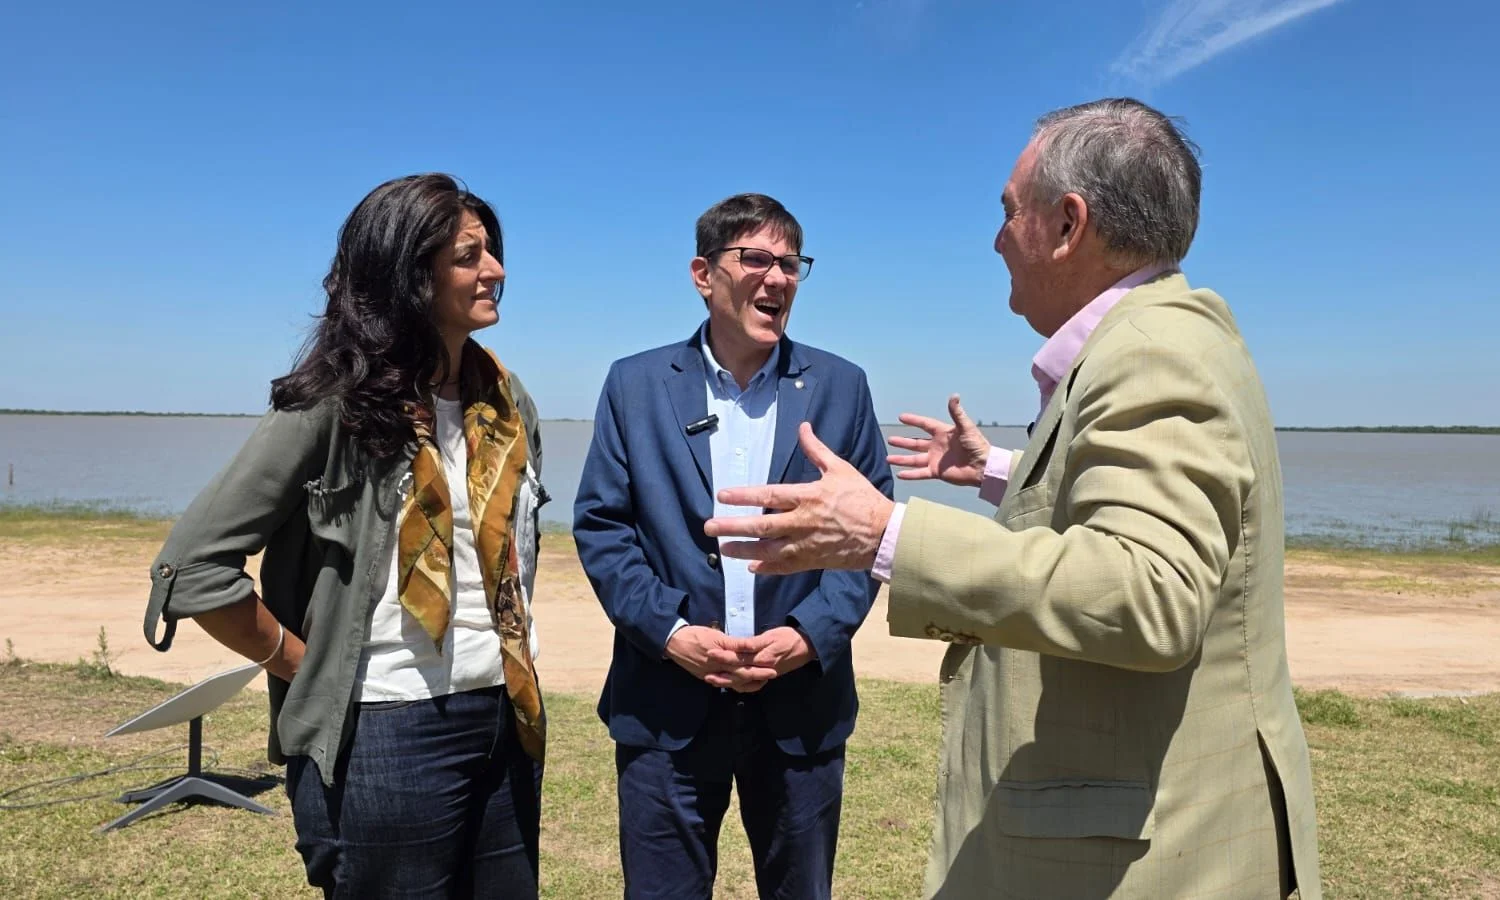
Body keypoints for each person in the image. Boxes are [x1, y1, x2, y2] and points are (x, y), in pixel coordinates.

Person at [703, 99, 1322, 898]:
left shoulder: (1152, 353)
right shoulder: (1163, 339)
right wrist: (1001, 469)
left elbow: (1152, 590)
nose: (996, 239)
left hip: (1150, 854)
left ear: (1069, 224)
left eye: (1007, 212)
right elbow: (1123, 501)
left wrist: (885, 534)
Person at [142, 173, 549, 898]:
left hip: (503, 712)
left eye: (493, 250)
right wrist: (307, 665)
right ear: (408, 273)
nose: (497, 271)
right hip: (384, 732)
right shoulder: (335, 404)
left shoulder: (508, 405)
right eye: (469, 255)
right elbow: (194, 566)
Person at [573, 192, 893, 899]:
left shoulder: (842, 387)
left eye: (790, 264)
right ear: (702, 274)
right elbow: (602, 527)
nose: (777, 278)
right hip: (667, 707)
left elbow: (871, 535)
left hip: (800, 708)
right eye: (756, 258)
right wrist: (673, 632)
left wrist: (809, 636)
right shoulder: (637, 384)